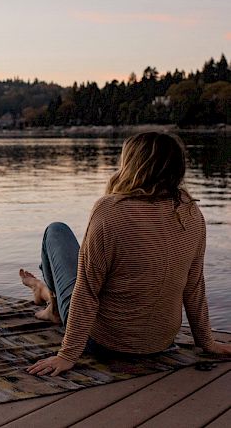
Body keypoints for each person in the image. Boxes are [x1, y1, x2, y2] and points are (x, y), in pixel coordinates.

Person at [21, 132, 231, 377]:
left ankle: (54, 306)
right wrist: (206, 341)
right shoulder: (190, 211)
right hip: (159, 343)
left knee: (56, 231)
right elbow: (194, 286)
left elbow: (87, 291)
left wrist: (67, 355)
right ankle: (46, 296)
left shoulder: (110, 209)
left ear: (132, 164)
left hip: (104, 343)